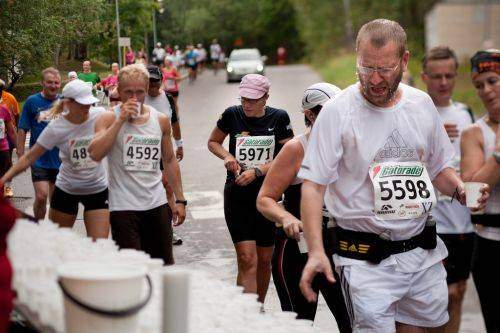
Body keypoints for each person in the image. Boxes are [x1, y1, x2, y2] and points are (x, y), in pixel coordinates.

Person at [298, 19, 490, 333]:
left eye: (385, 69)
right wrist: (317, 251)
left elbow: (440, 168)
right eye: (365, 68)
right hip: (364, 261)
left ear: (404, 61)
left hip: (420, 254)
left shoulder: (421, 104)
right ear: (357, 59)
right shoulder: (337, 112)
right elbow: (313, 186)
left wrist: (460, 191)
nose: (374, 79)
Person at [256, 83, 351, 331]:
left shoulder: (352, 145)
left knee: (353, 323)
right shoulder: (296, 149)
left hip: (341, 245)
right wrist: (285, 217)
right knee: (299, 325)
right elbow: (265, 198)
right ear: (311, 114)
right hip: (297, 246)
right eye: (329, 111)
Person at [207, 74, 294, 304]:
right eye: (244, 98)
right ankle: (245, 316)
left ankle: (258, 308)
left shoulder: (279, 118)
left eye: (253, 99)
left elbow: (289, 157)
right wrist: (227, 157)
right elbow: (213, 141)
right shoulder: (231, 115)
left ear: (266, 97)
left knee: (264, 260)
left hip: (267, 196)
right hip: (238, 195)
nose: (247, 104)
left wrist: (258, 171)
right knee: (247, 259)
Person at [89, 64, 187, 264]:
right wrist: (120, 121)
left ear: (147, 89)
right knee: (134, 271)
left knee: (161, 269)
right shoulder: (107, 118)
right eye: (128, 92)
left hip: (157, 204)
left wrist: (180, 199)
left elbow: (168, 160)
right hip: (123, 207)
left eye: (140, 92)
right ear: (119, 90)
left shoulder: (159, 120)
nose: (134, 97)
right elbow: (95, 153)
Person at [1, 80, 109, 239]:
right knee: (59, 243)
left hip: (96, 188)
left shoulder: (99, 114)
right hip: (67, 188)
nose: (88, 107)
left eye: (90, 103)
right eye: (82, 103)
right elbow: (31, 156)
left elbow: (125, 115)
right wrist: (4, 179)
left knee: (100, 245)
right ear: (68, 103)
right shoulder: (57, 127)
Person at [421, 46, 475, 333]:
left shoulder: (465, 113)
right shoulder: (415, 112)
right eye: (437, 76)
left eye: (449, 76)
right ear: (424, 77)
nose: (444, 82)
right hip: (431, 221)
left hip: (462, 222)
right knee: (436, 296)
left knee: (458, 292)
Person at [460, 49, 500, 333]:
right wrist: (498, 156)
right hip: (490, 245)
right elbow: (473, 198)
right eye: (479, 85)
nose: (485, 90)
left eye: (493, 81)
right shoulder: (474, 133)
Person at [145, 65, 184, 245]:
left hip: (164, 149)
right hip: (144, 150)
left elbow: (174, 122)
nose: (153, 84)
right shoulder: (138, 97)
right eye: (149, 80)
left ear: (161, 80)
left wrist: (179, 144)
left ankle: (168, 230)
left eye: (156, 80)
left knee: (167, 186)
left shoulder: (167, 98)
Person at [17, 68, 62, 220]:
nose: (53, 86)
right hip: (39, 158)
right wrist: (20, 154)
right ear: (42, 83)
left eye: (57, 83)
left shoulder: (64, 102)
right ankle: (39, 224)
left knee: (56, 200)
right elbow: (22, 129)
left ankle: (53, 230)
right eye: (50, 82)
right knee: (41, 196)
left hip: (60, 158)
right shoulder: (32, 102)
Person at [0, 79, 20, 198]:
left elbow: (12, 130)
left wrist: (18, 147)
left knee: (6, 166)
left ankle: (7, 187)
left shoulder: (4, 107)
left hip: (3, 145)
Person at [0, 103, 17, 193]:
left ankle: (6, 189)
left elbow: (11, 132)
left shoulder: (3, 109)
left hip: (2, 149)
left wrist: (19, 148)